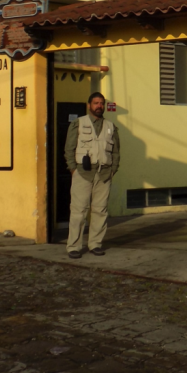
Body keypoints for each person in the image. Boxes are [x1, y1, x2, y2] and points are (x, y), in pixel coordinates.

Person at [64, 92, 120, 258]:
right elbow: (69, 149)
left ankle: (95, 244)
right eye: (95, 103)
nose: (99, 106)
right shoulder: (78, 123)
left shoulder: (111, 127)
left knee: (100, 211)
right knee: (78, 211)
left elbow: (116, 152)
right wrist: (73, 169)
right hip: (83, 173)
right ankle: (73, 246)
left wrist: (112, 170)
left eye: (101, 103)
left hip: (104, 174)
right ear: (89, 105)